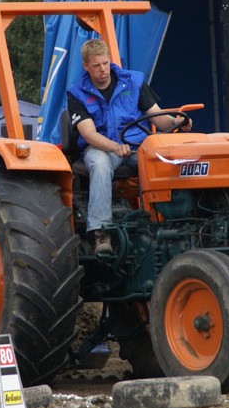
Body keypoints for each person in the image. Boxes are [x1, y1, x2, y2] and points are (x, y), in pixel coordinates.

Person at [67, 38, 191, 255]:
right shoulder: (77, 93)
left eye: (105, 63)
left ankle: (171, 221)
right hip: (102, 147)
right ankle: (101, 233)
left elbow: (158, 118)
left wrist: (177, 122)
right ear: (85, 66)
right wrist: (115, 147)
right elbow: (89, 134)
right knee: (100, 164)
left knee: (164, 161)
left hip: (136, 145)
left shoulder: (133, 82)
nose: (103, 69)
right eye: (96, 66)